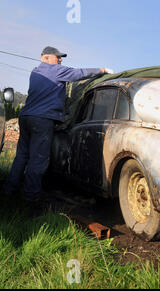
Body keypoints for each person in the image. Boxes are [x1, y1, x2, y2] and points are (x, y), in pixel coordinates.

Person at [2, 46, 112, 213]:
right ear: (45, 58)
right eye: (57, 57)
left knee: (22, 156)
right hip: (42, 120)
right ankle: (31, 201)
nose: (60, 60)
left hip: (26, 118)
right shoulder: (55, 71)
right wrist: (101, 70)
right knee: (38, 160)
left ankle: (9, 192)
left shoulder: (35, 71)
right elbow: (78, 74)